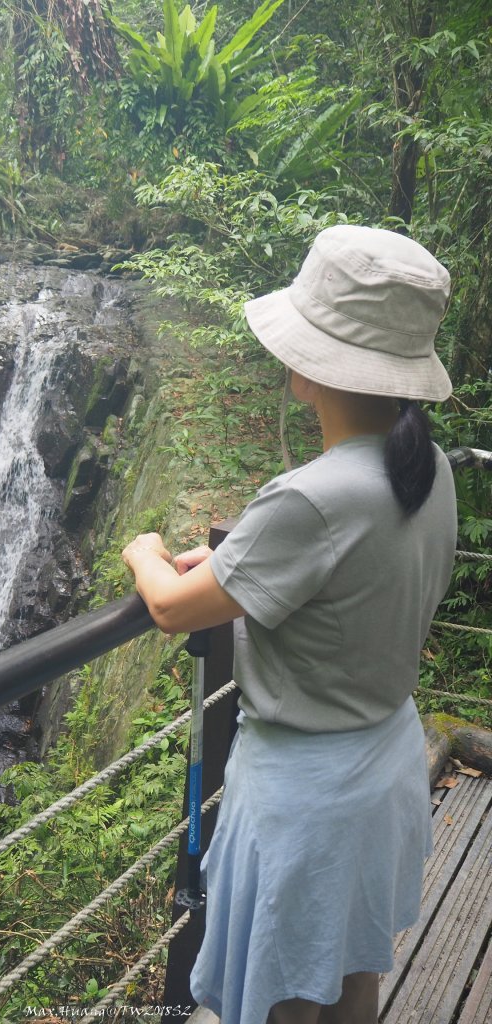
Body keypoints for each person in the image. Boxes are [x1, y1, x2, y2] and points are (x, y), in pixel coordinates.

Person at [121, 225, 458, 1024]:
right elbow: (329, 570)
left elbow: (169, 607)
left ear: (314, 365)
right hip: (385, 764)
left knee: (274, 1002)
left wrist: (145, 553)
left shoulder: (309, 497)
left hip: (305, 798)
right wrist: (233, 562)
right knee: (350, 976)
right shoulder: (430, 469)